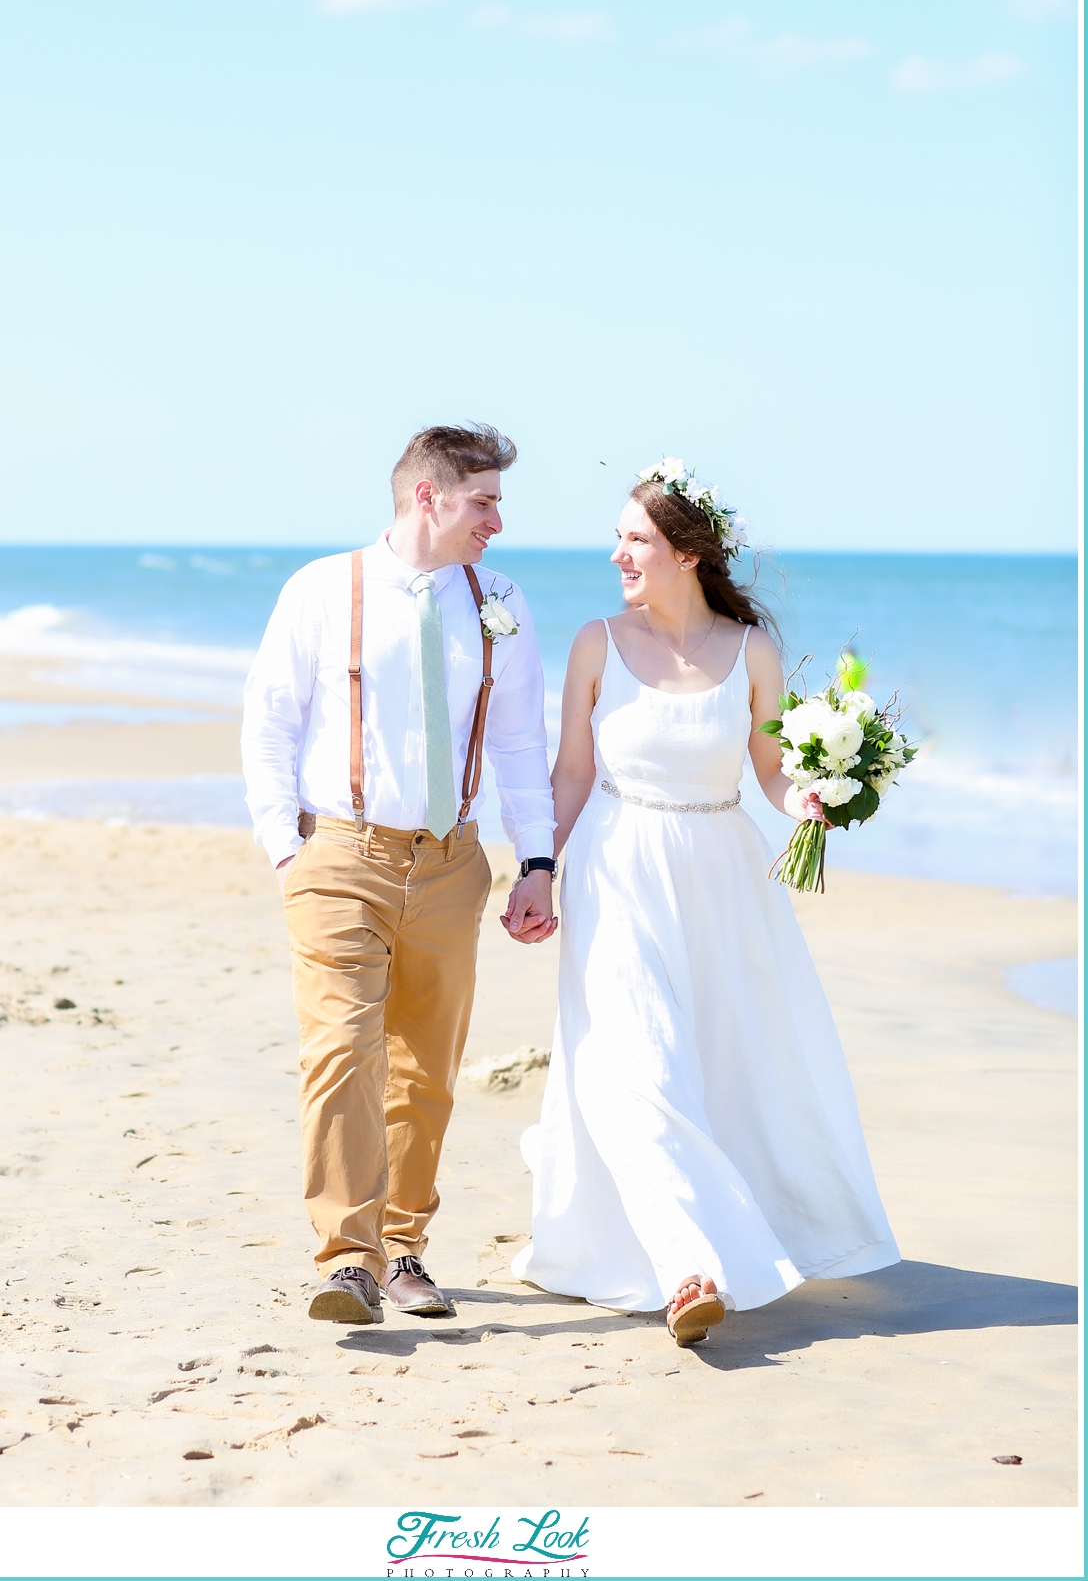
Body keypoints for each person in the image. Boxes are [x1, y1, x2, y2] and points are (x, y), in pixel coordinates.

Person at [513, 461, 900, 1346]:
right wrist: (538, 867)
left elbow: (766, 770)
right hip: (616, 867)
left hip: (721, 873)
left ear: (687, 553)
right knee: (634, 1063)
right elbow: (571, 771)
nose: (618, 554)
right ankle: (691, 1264)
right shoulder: (594, 643)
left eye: (635, 540)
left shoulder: (750, 650)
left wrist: (806, 797)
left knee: (725, 1061)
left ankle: (739, 1229)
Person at [243, 424, 557, 1327]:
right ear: (428, 495)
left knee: (425, 1067)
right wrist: (285, 852)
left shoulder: (501, 600)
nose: (497, 520)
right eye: (484, 501)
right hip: (339, 853)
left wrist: (535, 860)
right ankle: (347, 1259)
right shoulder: (320, 589)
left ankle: (403, 1248)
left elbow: (520, 742)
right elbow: (269, 722)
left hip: (453, 860)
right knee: (341, 1050)